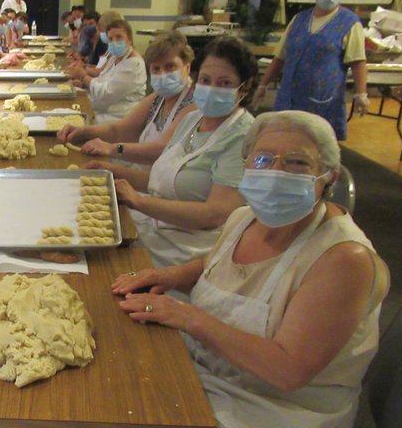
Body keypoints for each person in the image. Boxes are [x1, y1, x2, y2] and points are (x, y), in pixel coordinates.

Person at [102, 110, 390, 428]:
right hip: (220, 367)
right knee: (125, 369)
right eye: (262, 160)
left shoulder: (342, 260)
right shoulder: (246, 217)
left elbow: (289, 371)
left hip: (276, 409)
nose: (274, 173)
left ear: (327, 176)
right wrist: (172, 276)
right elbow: (216, 265)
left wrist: (190, 318)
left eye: (296, 163)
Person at [91, 36, 257, 268]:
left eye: (225, 83)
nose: (211, 89)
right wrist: (112, 170)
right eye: (206, 80)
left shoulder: (243, 136)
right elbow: (161, 180)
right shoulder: (192, 119)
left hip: (185, 254)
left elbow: (215, 213)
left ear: (245, 87)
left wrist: (138, 201)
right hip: (152, 230)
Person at [58, 30, 196, 193]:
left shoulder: (192, 104)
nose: (162, 74)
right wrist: (83, 131)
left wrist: (112, 149)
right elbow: (119, 129)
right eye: (156, 69)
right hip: (142, 178)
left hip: (162, 190)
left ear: (187, 67)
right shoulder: (158, 98)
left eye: (170, 67)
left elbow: (162, 149)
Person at [252, 0, 368, 140]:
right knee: (281, 139)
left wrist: (361, 93)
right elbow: (280, 57)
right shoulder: (299, 19)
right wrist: (263, 84)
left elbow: (358, 61)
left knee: (315, 145)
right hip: (289, 98)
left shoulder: (349, 23)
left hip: (323, 101)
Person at [69, 19, 147, 123]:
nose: (114, 42)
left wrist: (84, 77)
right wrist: (84, 84)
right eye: (110, 39)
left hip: (119, 117)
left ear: (129, 39)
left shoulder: (133, 64)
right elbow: (103, 78)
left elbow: (106, 93)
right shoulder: (115, 57)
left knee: (74, 123)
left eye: (119, 37)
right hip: (104, 109)